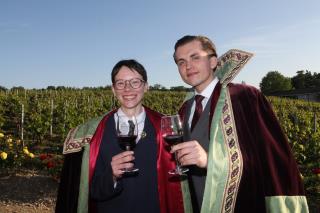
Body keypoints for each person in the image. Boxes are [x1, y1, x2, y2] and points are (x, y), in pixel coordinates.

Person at [170, 35, 309, 213]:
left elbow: (268, 158)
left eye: (195, 57)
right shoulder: (184, 108)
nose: (187, 66)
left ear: (213, 62)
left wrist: (209, 161)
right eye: (181, 62)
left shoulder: (245, 97)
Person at [55, 59, 187, 213]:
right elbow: (89, 192)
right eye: (120, 83)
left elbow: (179, 189)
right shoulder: (93, 133)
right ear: (113, 89)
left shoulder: (166, 127)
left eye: (135, 82)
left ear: (146, 87)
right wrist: (111, 176)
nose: (127, 89)